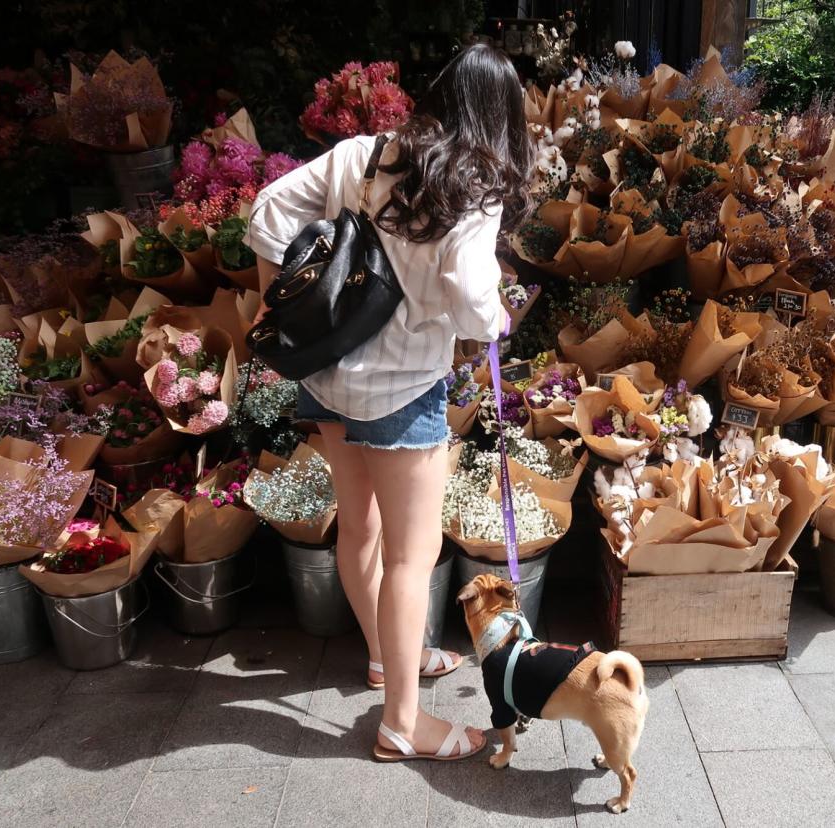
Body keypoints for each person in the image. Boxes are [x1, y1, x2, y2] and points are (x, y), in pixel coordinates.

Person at [246, 44, 532, 762]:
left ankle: (384, 660)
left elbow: (269, 207)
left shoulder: (366, 155)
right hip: (402, 390)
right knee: (412, 556)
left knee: (360, 531)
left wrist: (285, 303)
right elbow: (472, 297)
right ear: (500, 118)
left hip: (328, 376)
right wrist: (494, 321)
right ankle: (404, 720)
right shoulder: (475, 187)